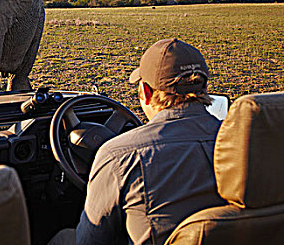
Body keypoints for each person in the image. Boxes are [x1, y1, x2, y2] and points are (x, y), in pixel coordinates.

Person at [74, 38, 227, 244]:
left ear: (145, 92)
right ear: (204, 89)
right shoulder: (242, 142)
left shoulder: (119, 155)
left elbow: (91, 240)